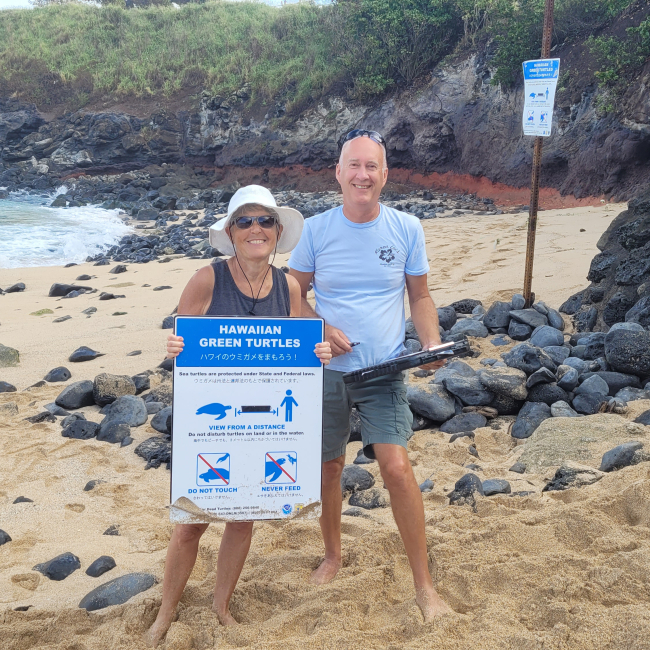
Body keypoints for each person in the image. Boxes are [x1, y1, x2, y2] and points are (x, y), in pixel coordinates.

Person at [144, 185, 332, 647]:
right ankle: (166, 610)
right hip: (211, 422)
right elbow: (180, 341)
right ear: (230, 232)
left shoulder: (288, 286)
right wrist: (173, 347)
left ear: (277, 230)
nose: (255, 229)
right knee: (192, 519)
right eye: (245, 221)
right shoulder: (207, 279)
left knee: (243, 515)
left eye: (265, 221)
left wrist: (318, 352)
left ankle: (220, 605)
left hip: (263, 420)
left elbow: (295, 353)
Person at [288, 129, 452, 621]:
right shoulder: (315, 230)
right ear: (338, 173)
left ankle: (423, 584)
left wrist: (430, 342)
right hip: (324, 367)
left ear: (385, 175)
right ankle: (333, 554)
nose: (362, 175)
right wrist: (322, 325)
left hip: (384, 369)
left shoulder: (407, 228)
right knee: (329, 467)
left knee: (397, 468)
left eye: (372, 167)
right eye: (353, 166)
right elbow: (292, 291)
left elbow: (419, 297)